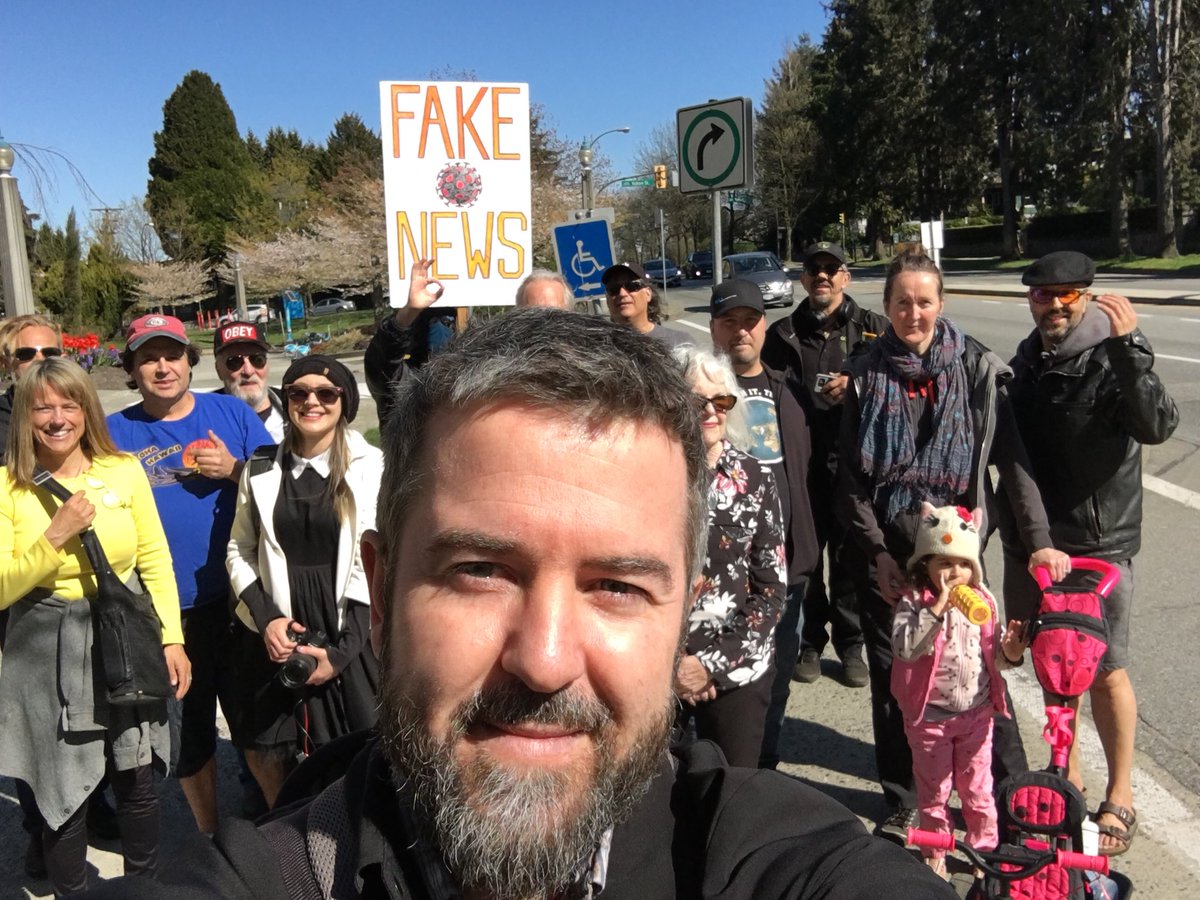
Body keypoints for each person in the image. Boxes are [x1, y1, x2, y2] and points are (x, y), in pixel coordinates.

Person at [83, 309, 954, 899]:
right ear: (380, 592)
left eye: (616, 585)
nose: (543, 658)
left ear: (682, 610)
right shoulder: (276, 871)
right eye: (480, 571)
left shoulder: (753, 850)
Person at [837, 250, 1069, 842]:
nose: (912, 312)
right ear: (885, 307)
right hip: (889, 550)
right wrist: (879, 555)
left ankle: (1009, 799)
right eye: (901, 302)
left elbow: (1010, 460)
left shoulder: (974, 367)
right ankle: (906, 800)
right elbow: (850, 482)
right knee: (899, 681)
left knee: (983, 678)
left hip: (958, 551)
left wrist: (1038, 541)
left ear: (941, 304)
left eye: (924, 300)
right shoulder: (865, 372)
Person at [999, 250, 1178, 856]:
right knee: (1053, 669)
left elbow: (1156, 426)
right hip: (1043, 542)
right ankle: (1068, 780)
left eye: (1066, 295)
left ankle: (1120, 792)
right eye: (1042, 295)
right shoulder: (1025, 362)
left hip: (1101, 542)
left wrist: (1130, 351)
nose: (1053, 304)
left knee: (1105, 670)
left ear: (1088, 297)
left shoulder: (1113, 355)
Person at [0, 357, 190, 895]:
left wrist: (172, 637)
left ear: (87, 409)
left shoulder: (123, 468)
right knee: (65, 791)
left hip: (124, 633)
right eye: (43, 408)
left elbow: (154, 558)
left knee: (136, 777)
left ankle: (143, 889)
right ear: (24, 417)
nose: (58, 418)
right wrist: (54, 536)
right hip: (47, 639)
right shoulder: (9, 487)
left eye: (69, 404)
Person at [106, 314, 272, 836]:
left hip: (240, 597)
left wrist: (236, 469)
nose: (162, 366)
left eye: (172, 354)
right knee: (190, 729)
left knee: (258, 726)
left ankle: (286, 822)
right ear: (132, 369)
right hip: (165, 611)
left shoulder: (230, 412)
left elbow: (285, 480)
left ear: (189, 360)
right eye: (148, 357)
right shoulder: (113, 432)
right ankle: (211, 837)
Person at [226, 356, 381, 808]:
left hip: (350, 630)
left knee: (362, 749)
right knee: (276, 751)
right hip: (283, 630)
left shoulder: (373, 466)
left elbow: (374, 560)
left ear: (344, 402)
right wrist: (267, 617)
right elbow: (239, 549)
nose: (312, 401)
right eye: (299, 392)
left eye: (326, 393)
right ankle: (292, 837)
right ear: (287, 399)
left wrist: (339, 653)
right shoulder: (259, 469)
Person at [706, 278, 820, 769]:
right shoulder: (702, 393)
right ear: (713, 327)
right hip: (718, 577)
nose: (740, 332)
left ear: (764, 326)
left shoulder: (789, 390)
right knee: (711, 684)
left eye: (749, 321)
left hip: (785, 567)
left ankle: (761, 769)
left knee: (772, 680)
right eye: (729, 322)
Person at [762, 242, 886, 688]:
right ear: (803, 279)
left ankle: (851, 644)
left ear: (845, 277)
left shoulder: (874, 329)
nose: (823, 276)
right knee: (808, 559)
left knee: (852, 559)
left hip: (855, 465)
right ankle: (811, 640)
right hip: (801, 464)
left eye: (832, 269)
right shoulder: (780, 334)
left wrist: (858, 384)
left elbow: (899, 380)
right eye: (815, 269)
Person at [892, 502, 1027, 879]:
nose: (956, 573)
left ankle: (982, 848)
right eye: (944, 564)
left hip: (976, 716)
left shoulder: (983, 601)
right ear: (926, 567)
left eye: (964, 565)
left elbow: (995, 658)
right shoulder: (914, 604)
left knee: (978, 788)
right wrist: (937, 610)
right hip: (930, 720)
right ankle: (935, 848)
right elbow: (904, 648)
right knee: (934, 791)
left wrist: (1011, 651)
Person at [674, 346, 787, 768]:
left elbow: (772, 589)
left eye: (720, 401)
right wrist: (675, 668)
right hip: (658, 671)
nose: (710, 411)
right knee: (653, 806)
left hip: (737, 670)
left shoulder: (757, 478)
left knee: (730, 799)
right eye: (696, 400)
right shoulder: (650, 475)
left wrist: (708, 664)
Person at [365, 260, 573, 423]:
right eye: (534, 313)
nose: (544, 323)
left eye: (554, 313)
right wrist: (409, 313)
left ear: (572, 318)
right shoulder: (484, 376)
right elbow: (385, 375)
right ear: (516, 315)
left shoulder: (594, 376)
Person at [212, 320, 286, 441]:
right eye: (234, 362)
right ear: (218, 370)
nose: (248, 371)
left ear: (267, 365)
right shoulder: (202, 419)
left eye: (257, 360)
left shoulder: (296, 413)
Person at [601, 260, 694, 349]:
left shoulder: (681, 344)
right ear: (607, 299)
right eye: (613, 289)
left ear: (648, 293)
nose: (622, 293)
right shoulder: (598, 351)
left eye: (632, 286)